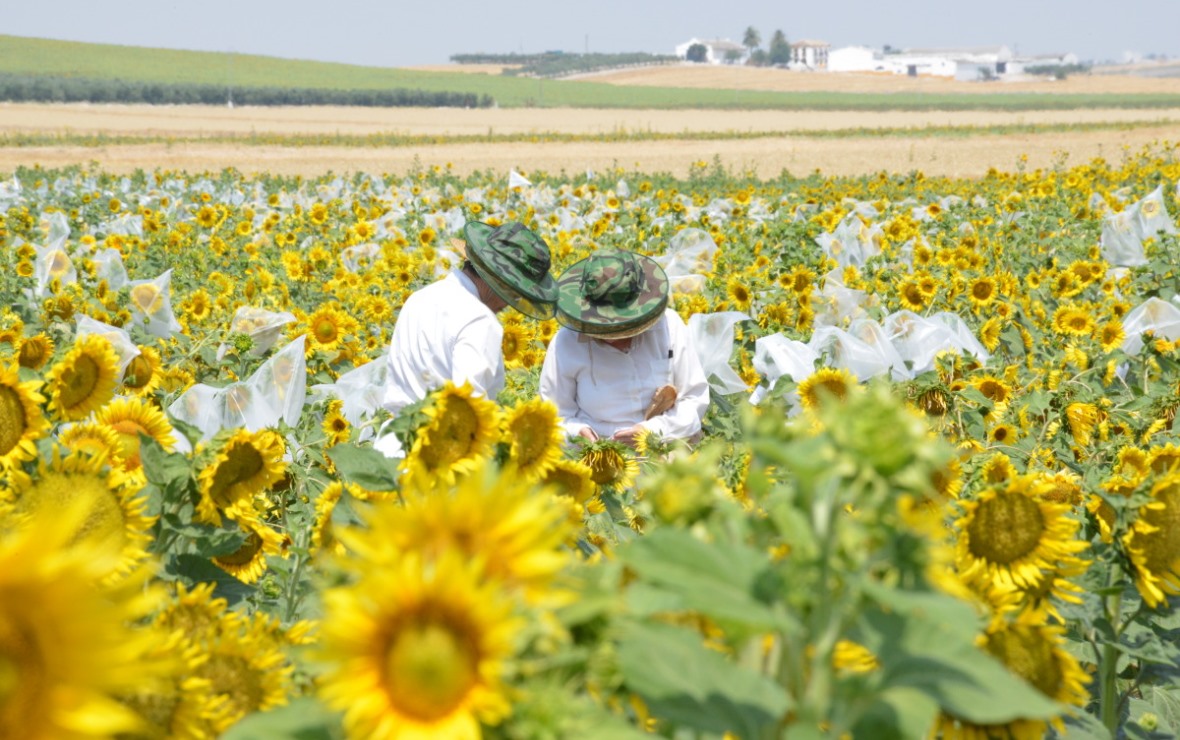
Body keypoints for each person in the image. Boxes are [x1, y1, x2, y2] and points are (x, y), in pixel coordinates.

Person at [376, 221, 558, 455]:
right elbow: (470, 410)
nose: (506, 304)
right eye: (512, 294)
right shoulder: (480, 320)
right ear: (498, 282)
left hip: (392, 445)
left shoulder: (420, 298)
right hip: (439, 461)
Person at [540, 249, 709, 447]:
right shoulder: (566, 343)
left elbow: (694, 399)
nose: (616, 336)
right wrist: (578, 433)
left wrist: (653, 431)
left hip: (666, 445)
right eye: (606, 327)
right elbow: (555, 417)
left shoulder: (669, 327)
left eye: (624, 326)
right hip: (596, 457)